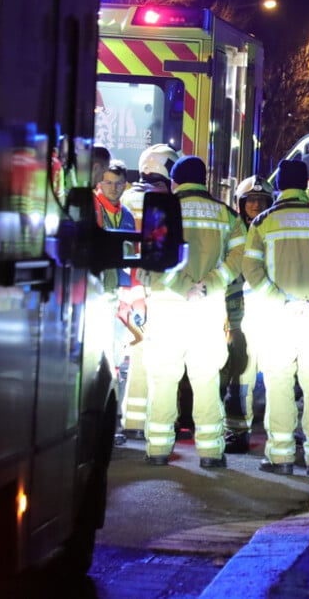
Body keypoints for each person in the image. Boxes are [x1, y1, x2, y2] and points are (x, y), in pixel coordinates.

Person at [243, 160, 309, 477]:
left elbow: (251, 269)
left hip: (277, 318)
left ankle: (281, 456)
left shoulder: (262, 222)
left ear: (279, 187)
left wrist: (280, 300)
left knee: (279, 385)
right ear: (304, 186)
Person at [140, 156, 246, 469]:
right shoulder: (226, 215)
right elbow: (241, 255)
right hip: (207, 308)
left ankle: (158, 449)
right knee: (206, 379)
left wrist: (183, 285)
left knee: (163, 379)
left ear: (174, 182)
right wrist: (211, 283)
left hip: (167, 307)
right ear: (204, 181)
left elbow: (153, 259)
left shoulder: (161, 210)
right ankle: (211, 452)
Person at [118, 144, 178, 441]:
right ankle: (153, 422)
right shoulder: (162, 200)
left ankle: (132, 420)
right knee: (157, 361)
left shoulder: (126, 197)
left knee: (136, 354)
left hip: (126, 287)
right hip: (151, 286)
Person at [222, 175, 274, 454]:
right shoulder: (232, 229)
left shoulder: (272, 228)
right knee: (240, 376)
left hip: (269, 311)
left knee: (279, 375)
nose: (256, 205)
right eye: (251, 200)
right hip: (236, 313)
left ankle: (279, 431)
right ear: (240, 203)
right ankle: (237, 432)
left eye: (261, 200)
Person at [93, 158, 137, 446]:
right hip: (97, 293)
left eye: (118, 183)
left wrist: (132, 296)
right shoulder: (93, 208)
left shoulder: (127, 215)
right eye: (108, 182)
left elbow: (132, 256)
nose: (113, 188)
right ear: (100, 183)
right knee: (102, 360)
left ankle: (114, 422)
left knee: (118, 360)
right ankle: (102, 422)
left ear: (125, 185)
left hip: (119, 297)